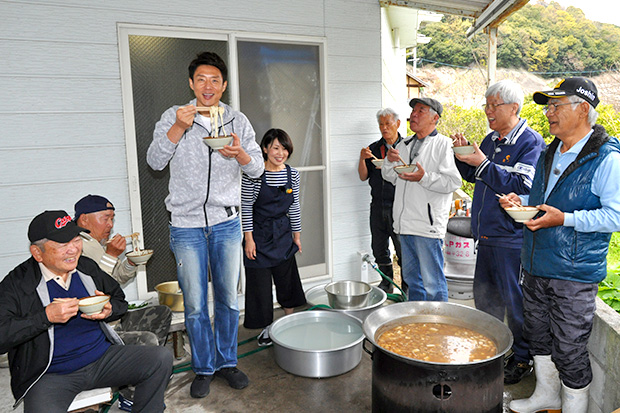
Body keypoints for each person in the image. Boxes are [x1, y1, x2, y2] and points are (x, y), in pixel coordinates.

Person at [147, 51, 264, 398]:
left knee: (228, 299)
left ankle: (227, 362)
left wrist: (240, 155)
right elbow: (154, 161)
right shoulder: (175, 116)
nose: (208, 86)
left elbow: (256, 167)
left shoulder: (236, 121)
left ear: (224, 85)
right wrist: (179, 128)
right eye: (201, 79)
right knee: (196, 303)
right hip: (186, 225)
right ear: (191, 84)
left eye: (215, 80)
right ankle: (203, 367)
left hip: (226, 222)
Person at [502, 78, 620, 413]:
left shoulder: (606, 158)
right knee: (537, 335)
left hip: (574, 271)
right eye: (548, 106)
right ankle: (546, 395)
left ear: (583, 109)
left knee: (569, 347)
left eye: (556, 106)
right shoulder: (550, 151)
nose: (549, 113)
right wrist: (520, 200)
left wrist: (565, 219)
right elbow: (545, 202)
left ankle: (573, 407)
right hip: (536, 263)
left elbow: (616, 216)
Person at [0, 210, 173, 412]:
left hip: (101, 359)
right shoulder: (17, 284)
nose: (73, 250)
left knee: (160, 358)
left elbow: (119, 301)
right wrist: (46, 317)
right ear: (38, 253)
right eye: (63, 245)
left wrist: (109, 310)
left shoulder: (85, 268)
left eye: (76, 241)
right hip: (51, 375)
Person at [452, 79, 546, 384]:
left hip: (511, 238)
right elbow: (478, 177)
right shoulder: (491, 139)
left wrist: (481, 163)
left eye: (495, 105)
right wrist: (464, 157)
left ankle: (522, 358)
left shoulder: (530, 142)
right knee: (485, 299)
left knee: (514, 302)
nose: (488, 111)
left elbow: (523, 185)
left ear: (513, 108)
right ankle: (493, 349)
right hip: (487, 235)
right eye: (487, 105)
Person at [381, 98, 461, 302]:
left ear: (435, 118)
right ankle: (418, 324)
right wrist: (389, 162)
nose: (413, 115)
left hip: (428, 226)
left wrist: (423, 177)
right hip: (404, 224)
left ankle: (439, 325)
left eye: (420, 111)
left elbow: (453, 182)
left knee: (433, 283)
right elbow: (390, 177)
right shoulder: (404, 143)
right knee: (412, 280)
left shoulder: (443, 144)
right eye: (413, 110)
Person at [74, 194, 172, 347]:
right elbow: (96, 289)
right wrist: (111, 255)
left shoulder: (99, 243)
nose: (110, 225)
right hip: (99, 326)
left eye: (112, 219)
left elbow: (117, 278)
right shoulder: (76, 246)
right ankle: (142, 362)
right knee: (148, 340)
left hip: (114, 316)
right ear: (84, 219)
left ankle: (146, 362)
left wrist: (132, 263)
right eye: (105, 218)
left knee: (162, 312)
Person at [241, 128, 306, 346]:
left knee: (287, 281)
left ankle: (289, 321)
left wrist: (297, 236)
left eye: (284, 148)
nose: (281, 153)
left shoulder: (292, 174)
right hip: (258, 234)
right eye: (276, 148)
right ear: (265, 148)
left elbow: (294, 206)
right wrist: (248, 239)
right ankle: (267, 329)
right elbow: (246, 207)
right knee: (259, 286)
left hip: (283, 234)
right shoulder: (254, 174)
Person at [358, 108, 406, 294]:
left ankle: (406, 286)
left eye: (388, 124)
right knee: (378, 246)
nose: (384, 128)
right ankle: (386, 283)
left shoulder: (407, 147)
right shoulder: (373, 148)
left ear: (398, 124)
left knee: (402, 248)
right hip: (377, 204)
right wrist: (362, 159)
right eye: (381, 125)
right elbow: (363, 176)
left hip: (399, 205)